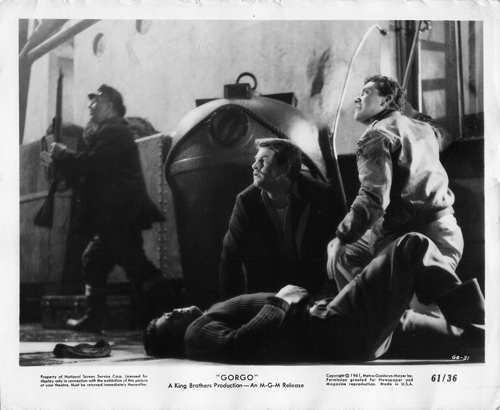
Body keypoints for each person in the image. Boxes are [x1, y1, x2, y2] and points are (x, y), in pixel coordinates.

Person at [144, 233, 484, 363]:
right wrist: (281, 300)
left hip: (343, 332)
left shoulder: (204, 324)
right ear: (173, 338)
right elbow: (239, 345)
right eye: (167, 319)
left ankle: (479, 330)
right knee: (412, 245)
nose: (174, 311)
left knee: (466, 341)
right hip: (337, 327)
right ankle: (476, 313)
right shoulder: (196, 334)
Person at [40, 84, 171, 332]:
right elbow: (92, 173)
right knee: (102, 261)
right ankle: (99, 318)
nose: (90, 106)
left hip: (119, 215)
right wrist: (62, 167)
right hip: (117, 215)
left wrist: (64, 155)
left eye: (95, 101)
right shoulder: (108, 132)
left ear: (109, 105)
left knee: (131, 265)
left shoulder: (115, 131)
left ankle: (172, 310)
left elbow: (94, 165)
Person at [219, 138, 344, 301]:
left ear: (284, 168)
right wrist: (230, 309)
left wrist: (328, 296)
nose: (254, 165)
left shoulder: (321, 194)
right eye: (256, 160)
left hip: (318, 294)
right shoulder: (246, 202)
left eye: (263, 161)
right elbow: (230, 258)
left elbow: (344, 247)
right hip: (268, 297)